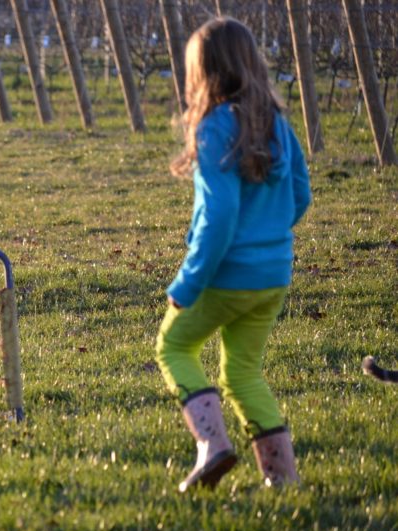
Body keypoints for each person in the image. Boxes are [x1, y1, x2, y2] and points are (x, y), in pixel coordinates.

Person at [155, 18, 311, 491]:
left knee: (174, 346)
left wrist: (188, 283)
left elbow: (219, 217)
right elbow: (301, 195)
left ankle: (212, 446)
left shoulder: (213, 126)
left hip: (226, 275)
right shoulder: (278, 125)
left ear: (201, 73)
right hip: (273, 277)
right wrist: (266, 241)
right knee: (243, 372)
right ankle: (283, 481)